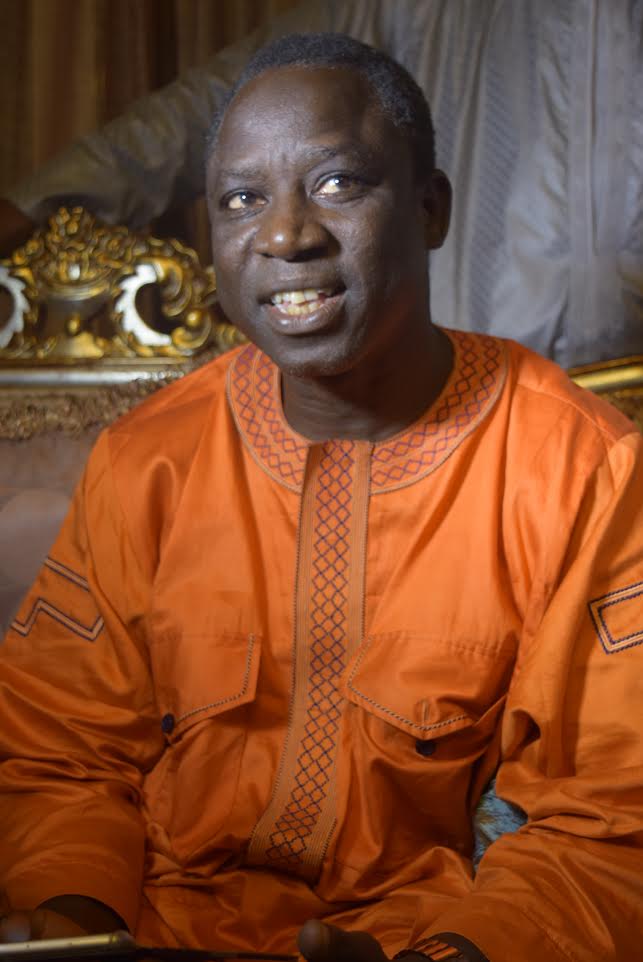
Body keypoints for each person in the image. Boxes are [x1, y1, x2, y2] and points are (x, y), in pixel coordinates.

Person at [1, 32, 643, 962]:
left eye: (338, 184)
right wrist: (75, 925)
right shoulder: (148, 459)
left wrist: (454, 954)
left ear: (429, 208)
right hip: (147, 928)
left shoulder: (579, 468)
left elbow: (609, 820)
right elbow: (59, 754)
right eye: (241, 199)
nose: (285, 235)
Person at [1, 0, 642, 368]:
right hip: (470, 384)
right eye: (245, 201)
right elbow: (217, 110)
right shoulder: (404, 10)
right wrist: (40, 200)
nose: (284, 237)